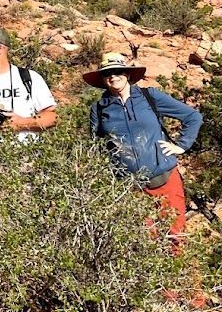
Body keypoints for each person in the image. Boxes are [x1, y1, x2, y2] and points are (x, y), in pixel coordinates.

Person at [84, 52, 203, 252]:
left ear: (128, 74)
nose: (113, 76)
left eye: (117, 71)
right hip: (132, 187)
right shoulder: (99, 108)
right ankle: (155, 283)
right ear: (102, 80)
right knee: (145, 243)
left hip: (165, 178)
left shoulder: (149, 97)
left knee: (176, 237)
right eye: (107, 74)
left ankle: (176, 283)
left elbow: (192, 117)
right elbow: (95, 145)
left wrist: (181, 145)